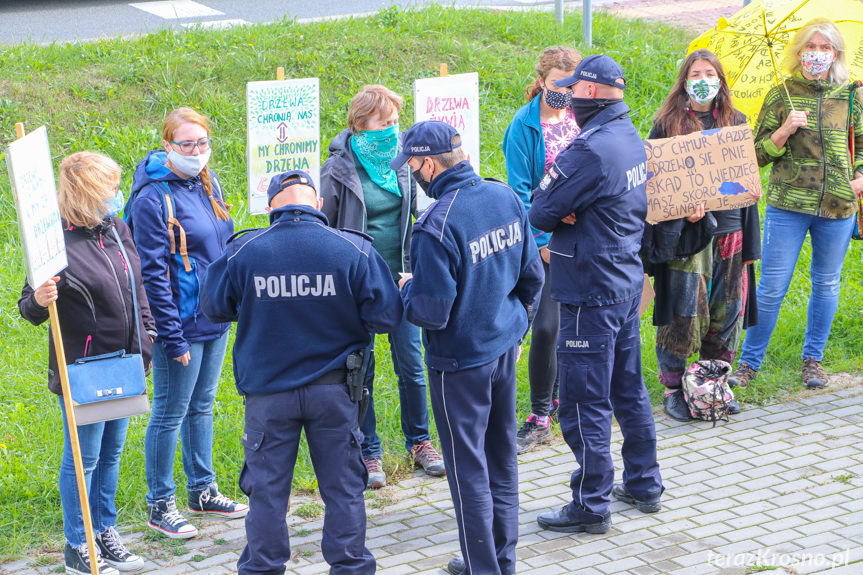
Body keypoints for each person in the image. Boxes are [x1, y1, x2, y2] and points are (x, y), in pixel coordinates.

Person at [200, 170, 403, 575]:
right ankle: (350, 567)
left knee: (267, 493)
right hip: (336, 393)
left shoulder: (245, 250)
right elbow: (387, 316)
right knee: (343, 488)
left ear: (272, 206)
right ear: (319, 204)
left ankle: (263, 567)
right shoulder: (353, 249)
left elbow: (213, 307)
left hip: (268, 395)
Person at [393, 121, 544, 575]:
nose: (412, 175)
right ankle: (502, 560)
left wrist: (407, 287)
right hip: (502, 351)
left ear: (426, 163)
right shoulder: (505, 197)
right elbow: (532, 278)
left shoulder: (436, 225)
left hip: (458, 365)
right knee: (502, 459)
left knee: (467, 472)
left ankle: (484, 568)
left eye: (412, 166)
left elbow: (431, 312)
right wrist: (518, 334)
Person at [528, 55, 664, 534]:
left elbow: (541, 210)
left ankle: (591, 504)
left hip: (590, 288)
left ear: (589, 94)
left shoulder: (587, 149)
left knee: (583, 402)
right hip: (624, 280)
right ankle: (645, 483)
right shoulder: (627, 134)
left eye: (572, 90)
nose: (565, 98)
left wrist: (568, 209)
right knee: (627, 387)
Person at [18, 151, 154, 574]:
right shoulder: (52, 242)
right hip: (85, 368)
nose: (117, 193)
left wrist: (147, 338)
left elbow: (138, 287)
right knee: (84, 458)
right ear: (89, 190)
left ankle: (104, 532)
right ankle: (79, 546)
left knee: (112, 454)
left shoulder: (117, 228)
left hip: (127, 361)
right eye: (111, 185)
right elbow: (28, 306)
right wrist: (39, 300)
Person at [127, 107, 247, 539]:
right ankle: (160, 504)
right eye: (187, 144)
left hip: (214, 317)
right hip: (180, 325)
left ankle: (203, 490)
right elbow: (151, 273)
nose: (197, 151)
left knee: (202, 405)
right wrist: (172, 335)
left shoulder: (206, 181)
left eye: (202, 143)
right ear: (167, 145)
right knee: (169, 412)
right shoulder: (151, 198)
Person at [320, 85, 444, 488]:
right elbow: (328, 230)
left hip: (404, 278)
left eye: (396, 122)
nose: (393, 130)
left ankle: (420, 442)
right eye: (384, 123)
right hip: (360, 286)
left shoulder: (402, 162)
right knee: (362, 369)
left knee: (412, 366)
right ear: (360, 125)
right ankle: (369, 451)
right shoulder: (338, 169)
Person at [729, 19, 863, 390]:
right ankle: (749, 362)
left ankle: (813, 361)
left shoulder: (852, 95)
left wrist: (861, 177)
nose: (816, 54)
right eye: (811, 47)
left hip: (837, 207)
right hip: (788, 205)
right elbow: (754, 156)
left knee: (826, 284)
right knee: (771, 287)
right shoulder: (780, 95)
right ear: (799, 51)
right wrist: (785, 130)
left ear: (835, 54)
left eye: (824, 48)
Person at [644, 49, 761, 421]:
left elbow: (746, 176)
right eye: (696, 73)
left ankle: (712, 383)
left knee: (726, 313)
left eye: (710, 73)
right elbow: (655, 182)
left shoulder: (736, 122)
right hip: (686, 239)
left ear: (721, 80)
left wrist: (749, 187)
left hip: (731, 233)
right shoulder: (667, 124)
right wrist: (682, 207)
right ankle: (674, 388)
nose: (703, 79)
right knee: (683, 313)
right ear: (684, 80)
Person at [502, 46, 582, 453]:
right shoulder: (523, 125)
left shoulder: (581, 115)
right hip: (546, 240)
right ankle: (537, 416)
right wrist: (542, 241)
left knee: (575, 326)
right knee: (547, 327)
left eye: (571, 85)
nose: (564, 93)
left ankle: (560, 401)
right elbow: (518, 192)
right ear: (542, 81)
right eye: (556, 85)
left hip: (584, 235)